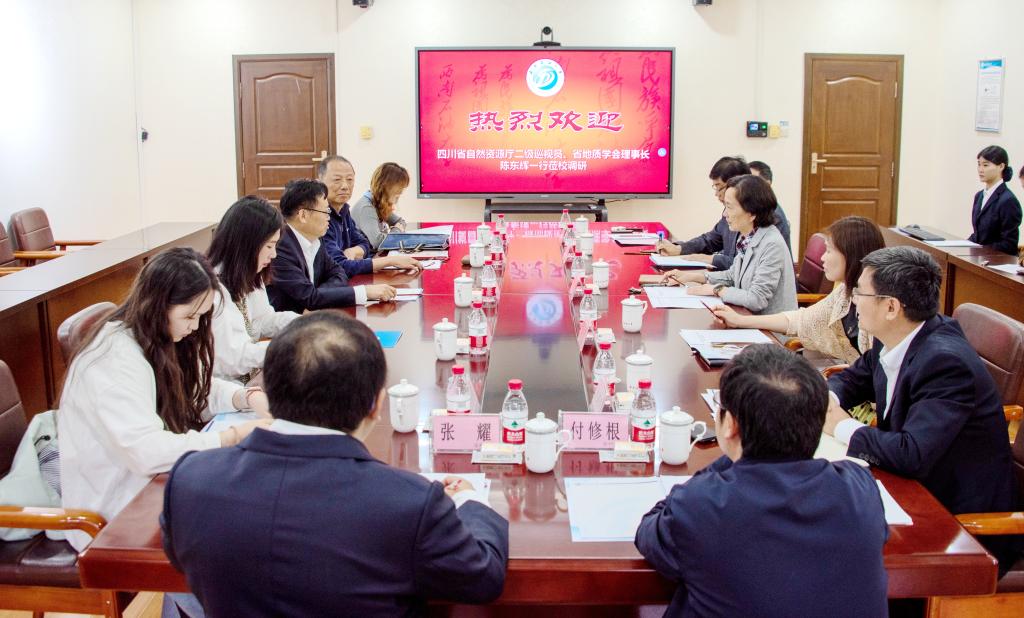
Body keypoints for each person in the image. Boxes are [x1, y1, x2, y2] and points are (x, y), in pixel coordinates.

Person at [161, 312, 509, 616]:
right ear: (376, 405)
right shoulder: (409, 504)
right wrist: (470, 501)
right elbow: (483, 578)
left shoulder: (190, 481)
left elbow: (182, 561)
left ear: (271, 392)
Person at [636, 344, 888, 617]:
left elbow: (649, 533)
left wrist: (734, 458)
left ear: (730, 425)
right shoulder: (860, 489)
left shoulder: (701, 504)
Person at [58, 248, 271, 553]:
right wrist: (230, 437)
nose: (195, 326)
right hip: (115, 510)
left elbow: (193, 390)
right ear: (158, 305)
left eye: (201, 317)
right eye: (189, 317)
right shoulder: (114, 358)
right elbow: (146, 451)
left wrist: (246, 397)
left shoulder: (154, 336)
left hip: (150, 484)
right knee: (237, 525)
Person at [824, 246, 1020, 570]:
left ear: (891, 307)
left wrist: (840, 425)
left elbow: (911, 453)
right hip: (916, 490)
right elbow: (853, 380)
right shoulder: (897, 335)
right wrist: (827, 402)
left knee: (837, 551)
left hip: (961, 525)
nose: (853, 300)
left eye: (860, 292)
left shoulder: (946, 363)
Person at [712, 216, 885, 363]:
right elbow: (799, 320)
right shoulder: (844, 293)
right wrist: (740, 320)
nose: (823, 257)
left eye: (829, 251)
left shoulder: (877, 306)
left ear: (851, 255)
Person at [656, 174, 797, 314]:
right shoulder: (748, 236)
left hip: (766, 326)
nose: (724, 214)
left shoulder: (772, 245)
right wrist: (693, 277)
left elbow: (757, 299)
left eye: (729, 207)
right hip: (744, 317)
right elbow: (732, 275)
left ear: (752, 213)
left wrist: (717, 290)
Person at [266, 178, 397, 313]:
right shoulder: (279, 248)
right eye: (325, 212)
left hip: (314, 316)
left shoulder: (315, 239)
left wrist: (318, 295)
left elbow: (339, 272)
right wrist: (364, 292)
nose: (329, 217)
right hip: (287, 323)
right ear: (303, 215)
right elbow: (308, 297)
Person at [207, 196, 299, 384]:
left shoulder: (250, 275)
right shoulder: (211, 291)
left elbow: (262, 320)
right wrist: (287, 347)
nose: (274, 254)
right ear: (246, 244)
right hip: (224, 389)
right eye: (269, 246)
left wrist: (303, 323)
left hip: (249, 379)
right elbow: (232, 359)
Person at [656, 156, 791, 267]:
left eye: (719, 187)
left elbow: (749, 266)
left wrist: (710, 259)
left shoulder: (768, 215)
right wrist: (679, 249)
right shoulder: (733, 211)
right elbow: (711, 240)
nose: (716, 194)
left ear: (737, 183)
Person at [318, 155, 421, 274]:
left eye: (350, 179)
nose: (345, 186)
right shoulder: (322, 217)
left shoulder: (344, 211)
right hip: (341, 278)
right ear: (320, 181)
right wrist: (390, 261)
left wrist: (355, 250)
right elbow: (340, 265)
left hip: (354, 271)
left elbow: (365, 243)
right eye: (337, 179)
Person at [968, 145, 1021, 255]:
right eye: (979, 164)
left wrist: (980, 249)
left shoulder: (1008, 200)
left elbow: (1009, 244)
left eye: (985, 165)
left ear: (1001, 166)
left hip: (997, 260)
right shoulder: (979, 196)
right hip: (979, 258)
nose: (980, 169)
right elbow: (978, 235)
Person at [351, 161, 410, 250]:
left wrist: (394, 232)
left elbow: (401, 222)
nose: (401, 192)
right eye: (399, 187)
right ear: (386, 186)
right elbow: (378, 242)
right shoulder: (366, 208)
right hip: (367, 256)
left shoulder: (379, 203)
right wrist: (397, 230)